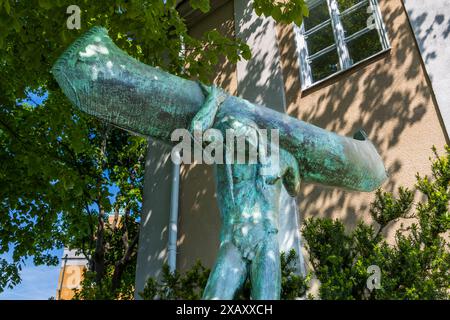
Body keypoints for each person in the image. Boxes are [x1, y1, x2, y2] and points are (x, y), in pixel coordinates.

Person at [190, 84, 301, 299]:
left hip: (265, 239)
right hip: (233, 239)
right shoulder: (225, 156)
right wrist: (214, 100)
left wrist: (288, 166)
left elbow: (294, 189)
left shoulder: (283, 158)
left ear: (255, 134)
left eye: (241, 131)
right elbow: (196, 133)